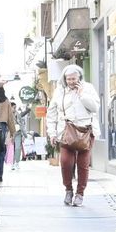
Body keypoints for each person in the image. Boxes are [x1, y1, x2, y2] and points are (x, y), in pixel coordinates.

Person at [46, 65, 98, 206]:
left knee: (83, 164)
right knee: (65, 163)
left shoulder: (88, 88)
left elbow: (95, 108)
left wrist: (82, 94)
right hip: (66, 131)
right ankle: (68, 189)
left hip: (85, 131)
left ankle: (80, 193)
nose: (71, 82)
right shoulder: (59, 91)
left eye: (73, 79)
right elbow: (51, 114)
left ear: (79, 77)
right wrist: (52, 133)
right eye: (68, 79)